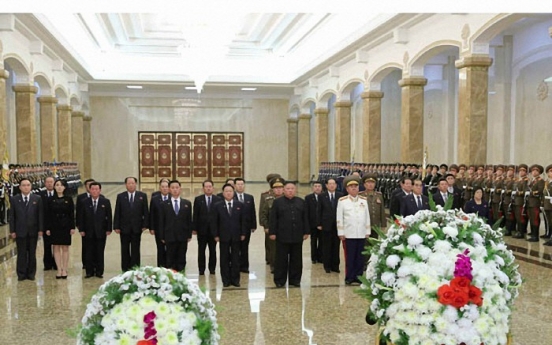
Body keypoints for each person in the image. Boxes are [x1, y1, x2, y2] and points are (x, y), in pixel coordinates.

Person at [269, 181, 309, 288]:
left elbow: (305, 218)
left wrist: (306, 232)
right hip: (282, 236)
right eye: (288, 189)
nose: (290, 191)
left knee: (296, 259)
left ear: (295, 190)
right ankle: (280, 280)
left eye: (292, 189)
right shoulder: (277, 202)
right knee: (281, 260)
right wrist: (272, 232)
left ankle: (295, 280)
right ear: (283, 190)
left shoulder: (301, 202)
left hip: (297, 235)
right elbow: (273, 219)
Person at [337, 176, 370, 285]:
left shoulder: (363, 201)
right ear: (347, 189)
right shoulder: (342, 201)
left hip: (361, 233)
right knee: (350, 257)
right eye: (351, 187)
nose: (354, 188)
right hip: (349, 233)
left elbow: (367, 216)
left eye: (355, 186)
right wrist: (341, 232)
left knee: (360, 257)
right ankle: (349, 277)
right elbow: (339, 218)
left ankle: (359, 276)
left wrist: (367, 231)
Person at [9, 178, 44, 281]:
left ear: (31, 186)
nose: (26, 187)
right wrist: (12, 231)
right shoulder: (15, 199)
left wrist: (40, 229)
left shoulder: (37, 198)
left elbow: (40, 215)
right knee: (21, 253)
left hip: (33, 230)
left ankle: (31, 273)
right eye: (23, 185)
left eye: (28, 185)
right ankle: (21, 273)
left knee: (32, 253)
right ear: (20, 187)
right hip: (20, 231)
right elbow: (12, 216)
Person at [212, 183, 246, 287]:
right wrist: (216, 235)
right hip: (223, 236)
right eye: (226, 191)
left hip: (236, 236)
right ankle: (225, 280)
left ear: (233, 192)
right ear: (223, 193)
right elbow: (214, 222)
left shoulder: (239, 205)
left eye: (230, 191)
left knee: (236, 259)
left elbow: (243, 221)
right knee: (224, 258)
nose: (228, 193)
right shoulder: (217, 206)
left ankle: (235, 280)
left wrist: (243, 233)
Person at [77, 182, 112, 278]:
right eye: (93, 189)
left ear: (100, 190)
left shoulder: (105, 202)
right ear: (89, 190)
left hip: (101, 231)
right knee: (89, 252)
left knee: (100, 252)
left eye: (97, 189)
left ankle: (99, 271)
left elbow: (108, 216)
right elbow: (81, 217)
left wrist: (109, 228)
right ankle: (89, 271)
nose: (95, 191)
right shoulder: (85, 202)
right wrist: (81, 229)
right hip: (88, 231)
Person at [113, 177, 149, 271]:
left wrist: (145, 225)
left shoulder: (142, 196)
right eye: (129, 183)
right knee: (124, 249)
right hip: (124, 227)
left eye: (133, 183)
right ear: (126, 185)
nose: (131, 185)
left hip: (137, 227)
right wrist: (116, 226)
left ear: (136, 184)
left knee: (136, 249)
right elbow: (118, 212)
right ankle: (125, 268)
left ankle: (135, 267)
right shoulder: (120, 196)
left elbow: (145, 211)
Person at [158, 180, 192, 272]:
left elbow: (189, 220)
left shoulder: (187, 204)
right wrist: (162, 236)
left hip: (183, 236)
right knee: (170, 258)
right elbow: (161, 221)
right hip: (169, 236)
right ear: (169, 189)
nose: (175, 190)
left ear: (180, 189)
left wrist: (189, 235)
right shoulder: (164, 204)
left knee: (181, 258)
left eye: (177, 188)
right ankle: (171, 278)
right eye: (172, 188)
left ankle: (181, 276)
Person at [45, 179, 75, 279]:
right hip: (54, 226)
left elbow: (71, 214)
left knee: (65, 248)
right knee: (56, 247)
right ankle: (59, 269)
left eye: (61, 185)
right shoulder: (50, 200)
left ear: (64, 187)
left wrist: (72, 227)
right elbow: (48, 215)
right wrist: (48, 228)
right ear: (54, 187)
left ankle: (65, 269)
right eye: (57, 185)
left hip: (65, 226)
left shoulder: (69, 199)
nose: (59, 187)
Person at [192, 179, 221, 275]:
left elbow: (219, 217)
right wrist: (194, 228)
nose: (208, 188)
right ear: (203, 188)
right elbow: (195, 214)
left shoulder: (218, 200)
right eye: (206, 187)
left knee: (213, 250)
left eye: (210, 187)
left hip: (213, 231)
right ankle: (201, 269)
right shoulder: (198, 199)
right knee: (201, 250)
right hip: (202, 230)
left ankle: (212, 269)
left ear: (213, 188)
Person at [259, 177, 285, 274]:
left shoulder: (286, 199)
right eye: (276, 188)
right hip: (271, 228)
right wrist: (265, 226)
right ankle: (273, 266)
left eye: (280, 188)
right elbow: (263, 213)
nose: (278, 189)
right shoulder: (268, 199)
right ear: (273, 189)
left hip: (283, 228)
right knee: (272, 248)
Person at [318, 178, 343, 274]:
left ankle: (335, 266)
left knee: (336, 246)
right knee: (326, 246)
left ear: (336, 185)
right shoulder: (322, 196)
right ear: (326, 185)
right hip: (326, 224)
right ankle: (327, 266)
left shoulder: (340, 196)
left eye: (333, 184)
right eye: (330, 184)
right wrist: (319, 223)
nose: (332, 185)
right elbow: (319, 210)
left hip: (337, 225)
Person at [233, 177, 257, 273]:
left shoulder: (249, 197)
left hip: (246, 227)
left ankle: (244, 266)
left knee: (245, 247)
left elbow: (252, 212)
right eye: (238, 184)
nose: (240, 186)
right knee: (235, 247)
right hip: (234, 227)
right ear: (234, 186)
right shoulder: (231, 197)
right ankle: (235, 266)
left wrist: (253, 225)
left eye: (242, 184)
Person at [148, 178, 170, 267]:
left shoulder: (173, 198)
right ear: (160, 188)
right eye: (163, 187)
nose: (165, 188)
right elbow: (152, 214)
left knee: (170, 248)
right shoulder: (155, 199)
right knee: (160, 248)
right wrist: (152, 227)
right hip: (158, 228)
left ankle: (169, 266)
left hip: (170, 228)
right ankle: (160, 267)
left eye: (166, 187)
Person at [76, 179, 96, 269]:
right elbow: (79, 212)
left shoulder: (101, 197)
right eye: (88, 184)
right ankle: (86, 263)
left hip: (97, 226)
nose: (90, 186)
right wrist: (79, 225)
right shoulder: (81, 198)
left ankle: (95, 262)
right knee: (85, 245)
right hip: (85, 225)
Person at [39, 176, 56, 271]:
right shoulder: (40, 195)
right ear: (45, 183)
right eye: (47, 182)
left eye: (51, 182)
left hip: (56, 224)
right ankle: (47, 264)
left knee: (56, 245)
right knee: (47, 244)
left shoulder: (58, 194)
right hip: (45, 223)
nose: (49, 184)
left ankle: (56, 262)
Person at [305, 181, 323, 264]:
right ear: (313, 188)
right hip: (312, 223)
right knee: (313, 241)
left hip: (322, 224)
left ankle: (321, 257)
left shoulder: (324, 196)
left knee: (322, 241)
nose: (317, 188)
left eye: (319, 186)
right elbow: (307, 212)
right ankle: (314, 257)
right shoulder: (308, 198)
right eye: (315, 186)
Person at [526, 164, 544, 242]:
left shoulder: (540, 181)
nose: (534, 172)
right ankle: (532, 233)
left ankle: (535, 236)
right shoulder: (531, 181)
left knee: (535, 219)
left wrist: (531, 193)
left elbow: (540, 191)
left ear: (539, 172)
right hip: (529, 202)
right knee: (531, 218)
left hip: (535, 202)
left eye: (536, 171)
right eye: (533, 171)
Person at [512, 164, 529, 239]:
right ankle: (519, 230)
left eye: (523, 171)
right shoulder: (519, 180)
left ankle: (521, 232)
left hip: (521, 201)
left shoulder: (526, 181)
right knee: (517, 217)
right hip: (516, 201)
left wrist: (518, 193)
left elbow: (525, 191)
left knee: (521, 217)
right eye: (520, 171)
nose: (521, 172)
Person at [543, 164, 552, 244]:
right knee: (549, 222)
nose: (550, 173)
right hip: (547, 205)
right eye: (549, 172)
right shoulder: (547, 183)